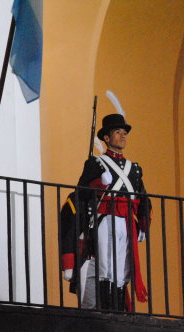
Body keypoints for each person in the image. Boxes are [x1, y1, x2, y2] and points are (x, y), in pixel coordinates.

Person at [64, 113, 151, 311]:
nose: (123, 136)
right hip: (106, 218)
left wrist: (143, 224)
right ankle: (107, 307)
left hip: (127, 222)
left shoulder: (134, 168)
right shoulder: (96, 163)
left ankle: (118, 307)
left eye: (124, 133)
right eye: (118, 132)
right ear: (107, 138)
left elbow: (143, 196)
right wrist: (99, 184)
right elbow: (81, 192)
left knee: (122, 268)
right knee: (107, 266)